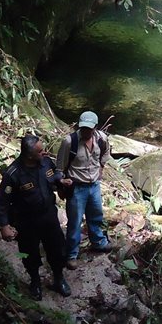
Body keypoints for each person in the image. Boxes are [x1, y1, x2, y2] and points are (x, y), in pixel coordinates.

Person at [0, 135, 72, 299]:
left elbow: (54, 181)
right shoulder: (14, 173)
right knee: (30, 253)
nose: (44, 152)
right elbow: (2, 202)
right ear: (29, 155)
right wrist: (4, 226)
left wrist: (62, 184)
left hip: (49, 216)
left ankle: (58, 278)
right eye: (40, 151)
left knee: (58, 249)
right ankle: (35, 281)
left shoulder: (46, 163)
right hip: (26, 220)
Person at [56, 110, 112, 264]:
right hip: (76, 187)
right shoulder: (69, 142)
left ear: (95, 127)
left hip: (94, 185)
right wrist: (61, 184)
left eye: (89, 128)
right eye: (84, 128)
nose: (86, 131)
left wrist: (100, 167)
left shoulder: (102, 139)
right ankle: (72, 254)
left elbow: (106, 153)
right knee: (75, 221)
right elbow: (60, 168)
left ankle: (98, 242)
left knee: (96, 215)